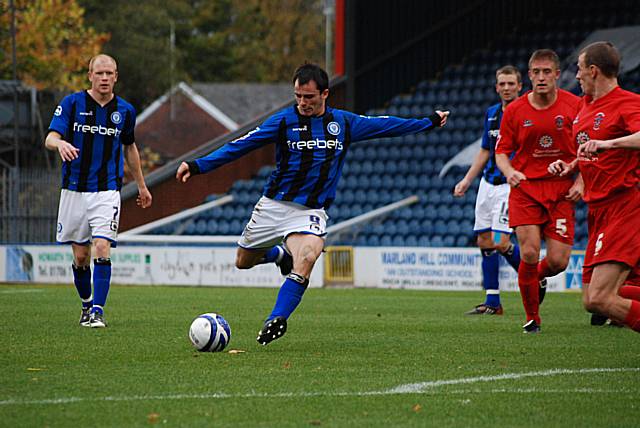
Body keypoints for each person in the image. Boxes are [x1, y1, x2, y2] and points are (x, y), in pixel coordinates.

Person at [177, 63, 449, 345]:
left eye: (309, 97)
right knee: (243, 261)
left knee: (307, 257)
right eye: (298, 96)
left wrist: (427, 121)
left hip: (310, 212)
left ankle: (277, 319)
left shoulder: (342, 123)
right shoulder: (282, 122)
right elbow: (240, 145)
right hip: (274, 206)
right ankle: (279, 256)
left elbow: (386, 125)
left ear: (325, 94)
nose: (303, 103)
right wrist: (197, 166)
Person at [45, 54, 152, 328]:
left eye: (109, 73)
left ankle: (97, 311)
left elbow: (130, 147)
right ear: (90, 75)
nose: (104, 78)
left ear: (116, 77)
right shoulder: (71, 103)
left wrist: (141, 185)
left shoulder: (125, 111)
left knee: (102, 247)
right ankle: (85, 304)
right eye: (100, 73)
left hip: (107, 191)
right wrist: (61, 145)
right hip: (73, 190)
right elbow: (50, 138)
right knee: (80, 257)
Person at [548, 41, 640, 333]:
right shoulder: (585, 106)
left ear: (594, 70)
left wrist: (608, 143)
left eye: (579, 68)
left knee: (602, 297)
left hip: (625, 205)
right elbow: (591, 152)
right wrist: (572, 165)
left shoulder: (628, 102)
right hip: (597, 210)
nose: (576, 76)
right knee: (591, 300)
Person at [495, 49, 582, 334]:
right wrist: (510, 173)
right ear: (529, 75)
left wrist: (580, 180)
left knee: (557, 262)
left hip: (561, 191)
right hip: (526, 189)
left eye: (547, 72)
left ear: (557, 74)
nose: (541, 77)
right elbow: (502, 152)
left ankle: (536, 279)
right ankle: (533, 318)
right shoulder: (515, 110)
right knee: (529, 253)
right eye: (536, 72)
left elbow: (587, 148)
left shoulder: (575, 106)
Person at [454, 65, 523, 315]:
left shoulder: (525, 112)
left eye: (510, 84)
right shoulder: (492, 113)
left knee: (500, 241)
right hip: (487, 183)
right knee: (484, 239)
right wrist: (466, 180)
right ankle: (492, 302)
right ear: (496, 87)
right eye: (502, 84)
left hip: (509, 185)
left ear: (519, 86)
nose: (506, 88)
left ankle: (533, 277)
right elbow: (485, 150)